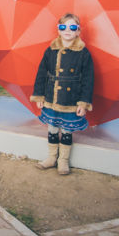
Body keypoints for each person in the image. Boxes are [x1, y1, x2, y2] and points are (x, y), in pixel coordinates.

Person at [30, 13, 94, 175]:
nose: (67, 30)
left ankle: (63, 160)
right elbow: (41, 74)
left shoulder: (83, 53)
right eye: (63, 27)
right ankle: (51, 158)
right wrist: (39, 95)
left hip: (71, 100)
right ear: (58, 30)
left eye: (72, 27)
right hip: (51, 97)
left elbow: (88, 79)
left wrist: (83, 103)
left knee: (66, 130)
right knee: (52, 128)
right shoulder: (50, 50)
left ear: (78, 32)